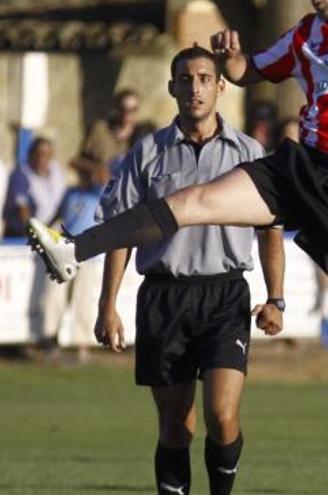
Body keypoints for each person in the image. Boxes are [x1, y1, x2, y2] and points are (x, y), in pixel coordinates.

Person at [28, 2, 328, 493]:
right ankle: (73, 248)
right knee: (193, 201)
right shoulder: (309, 33)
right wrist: (232, 63)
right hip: (301, 167)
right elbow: (251, 72)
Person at [89, 45, 284, 495]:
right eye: (185, 79)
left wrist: (276, 298)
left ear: (220, 86)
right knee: (176, 426)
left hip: (225, 295)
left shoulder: (249, 152)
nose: (194, 88)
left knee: (221, 415)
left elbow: (270, 231)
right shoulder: (147, 154)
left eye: (203, 79)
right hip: (164, 296)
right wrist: (108, 305)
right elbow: (121, 231)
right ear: (172, 87)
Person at [37, 158, 111, 360]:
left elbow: (104, 174)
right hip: (64, 252)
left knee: (82, 301)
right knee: (54, 298)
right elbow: (57, 215)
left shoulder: (99, 192)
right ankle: (50, 341)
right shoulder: (71, 192)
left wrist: (92, 168)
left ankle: (82, 346)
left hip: (88, 253)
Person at [3, 137, 65, 238]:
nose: (41, 158)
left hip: (54, 234)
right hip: (28, 236)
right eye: (37, 153)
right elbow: (23, 209)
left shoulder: (56, 172)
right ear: (30, 154)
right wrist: (34, 234)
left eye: (45, 154)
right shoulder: (21, 174)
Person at [77, 89, 141, 171]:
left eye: (132, 110)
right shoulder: (100, 130)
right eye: (122, 109)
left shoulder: (142, 134)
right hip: (102, 182)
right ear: (116, 108)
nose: (126, 114)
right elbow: (78, 161)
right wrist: (97, 169)